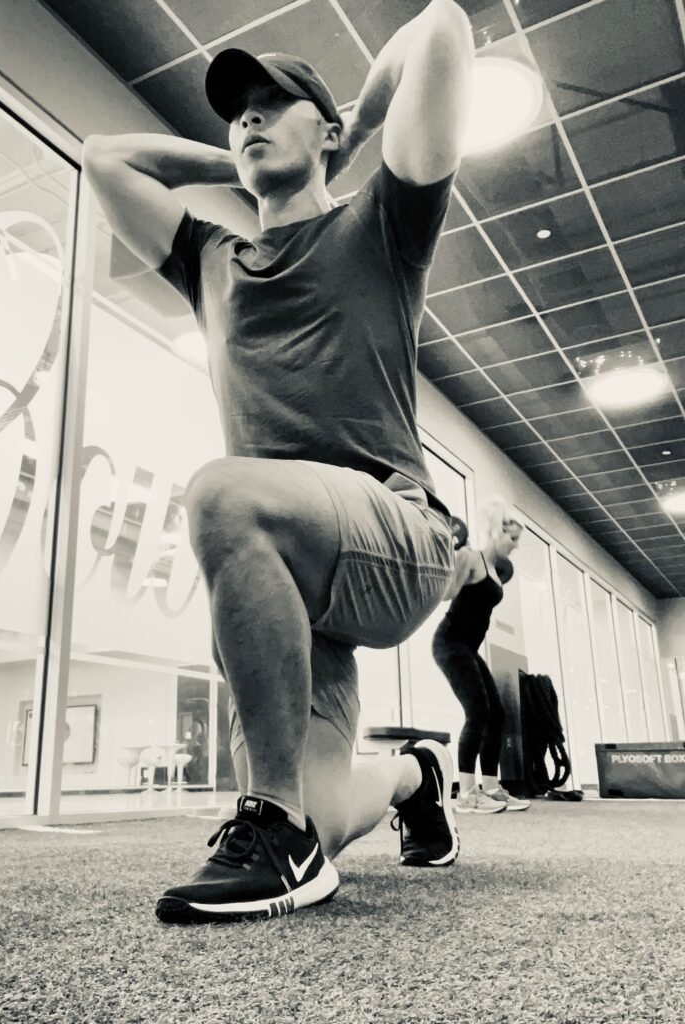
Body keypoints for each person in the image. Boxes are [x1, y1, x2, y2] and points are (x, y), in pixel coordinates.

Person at [83, 0, 474, 923]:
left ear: (327, 132)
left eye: (275, 102)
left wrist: (353, 132)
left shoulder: (381, 225)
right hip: (293, 574)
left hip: (397, 533)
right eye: (238, 111)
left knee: (221, 493)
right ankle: (412, 779)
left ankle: (273, 836)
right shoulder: (212, 261)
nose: (249, 116)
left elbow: (443, 28)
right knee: (321, 811)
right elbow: (104, 158)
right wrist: (246, 159)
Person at [432, 499, 530, 814]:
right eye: (512, 538)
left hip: (468, 648)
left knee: (496, 714)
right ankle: (466, 794)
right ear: (496, 532)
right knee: (477, 711)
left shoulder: (495, 569)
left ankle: (491, 788)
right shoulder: (471, 558)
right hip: (450, 643)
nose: (515, 545)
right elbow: (445, 593)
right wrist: (451, 557)